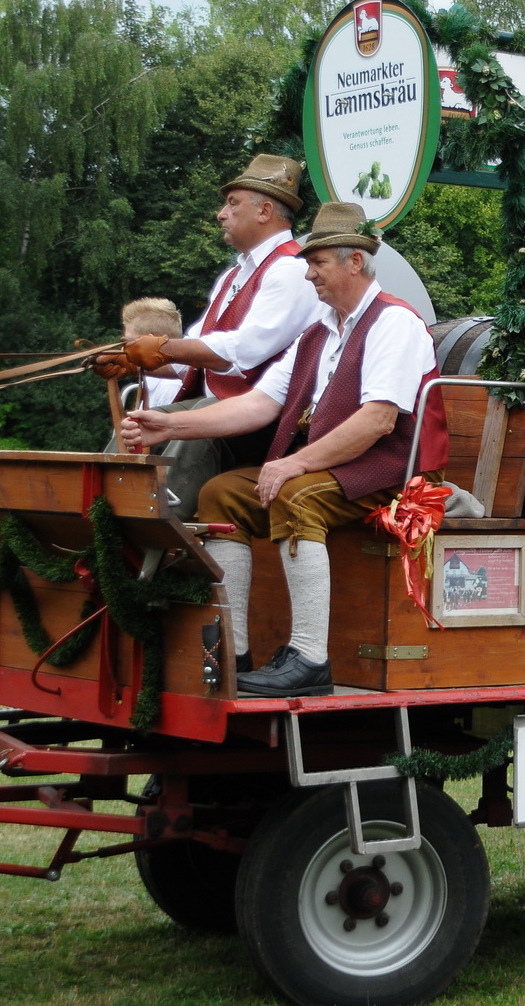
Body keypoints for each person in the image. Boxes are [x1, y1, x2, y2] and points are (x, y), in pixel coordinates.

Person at [121, 201, 449, 698]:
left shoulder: (394, 323)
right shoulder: (317, 332)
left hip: (390, 471)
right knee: (221, 495)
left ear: (354, 262)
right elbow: (258, 404)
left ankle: (310, 658)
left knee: (296, 494)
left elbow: (378, 421)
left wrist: (292, 462)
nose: (308, 272)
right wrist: (169, 426)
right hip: (328, 465)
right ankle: (232, 652)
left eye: (317, 263)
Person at [96, 154, 322, 511]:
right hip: (229, 410)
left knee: (201, 412)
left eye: (232, 203)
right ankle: (100, 512)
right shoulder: (232, 277)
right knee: (137, 424)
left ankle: (153, 533)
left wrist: (160, 347)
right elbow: (191, 361)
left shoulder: (291, 271)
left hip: (270, 419)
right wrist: (130, 360)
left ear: (264, 211)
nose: (221, 213)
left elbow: (240, 352)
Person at [118, 298, 189, 410]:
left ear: (150, 341)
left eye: (128, 342)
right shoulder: (150, 384)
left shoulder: (169, 388)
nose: (123, 349)